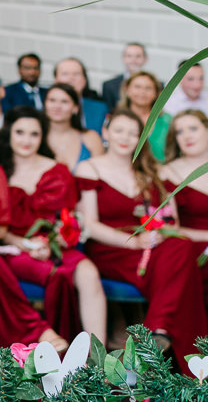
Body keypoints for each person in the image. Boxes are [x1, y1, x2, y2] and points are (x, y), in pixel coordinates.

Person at [75, 109, 206, 369]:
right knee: (181, 268)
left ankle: (155, 332)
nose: (126, 137)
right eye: (119, 130)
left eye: (134, 133)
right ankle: (167, 340)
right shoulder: (89, 168)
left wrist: (152, 235)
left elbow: (168, 220)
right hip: (109, 247)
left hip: (148, 247)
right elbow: (89, 224)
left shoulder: (146, 174)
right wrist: (133, 242)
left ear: (141, 139)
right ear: (106, 132)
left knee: (181, 245)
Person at [0, 107, 104, 348]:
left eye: (34, 134)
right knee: (52, 273)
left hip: (52, 244)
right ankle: (42, 336)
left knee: (88, 272)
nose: (26, 140)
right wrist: (22, 243)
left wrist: (53, 242)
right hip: (10, 249)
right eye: (20, 132)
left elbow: (70, 219)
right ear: (9, 134)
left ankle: (99, 358)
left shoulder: (57, 171)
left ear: (42, 137)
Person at [161, 109, 208, 305]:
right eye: (179, 132)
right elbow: (170, 228)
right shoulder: (167, 172)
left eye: (193, 128)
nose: (187, 136)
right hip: (191, 245)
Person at [42, 83, 105, 168]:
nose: (57, 106)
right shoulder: (36, 137)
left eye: (64, 102)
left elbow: (101, 173)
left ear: (75, 108)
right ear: (45, 104)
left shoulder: (91, 137)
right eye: (52, 100)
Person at [121, 70, 172, 160]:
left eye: (148, 88)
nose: (142, 92)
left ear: (156, 93)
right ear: (127, 90)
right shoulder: (117, 119)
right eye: (137, 87)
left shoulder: (167, 120)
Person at [99, 42, 146, 110]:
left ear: (145, 59)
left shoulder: (157, 85)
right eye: (129, 56)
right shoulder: (109, 86)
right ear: (123, 58)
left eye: (138, 56)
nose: (133, 60)